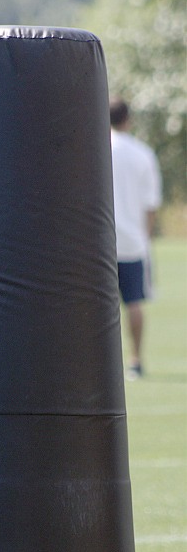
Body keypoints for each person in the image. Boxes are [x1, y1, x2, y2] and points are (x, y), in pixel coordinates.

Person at [109, 97, 162, 380]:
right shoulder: (143, 153)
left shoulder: (96, 148)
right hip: (132, 242)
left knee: (97, 307)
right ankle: (136, 360)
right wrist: (145, 238)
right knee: (134, 302)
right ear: (127, 119)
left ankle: (101, 363)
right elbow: (151, 205)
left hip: (100, 242)